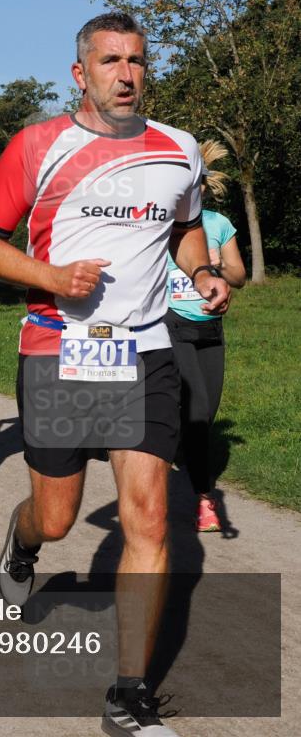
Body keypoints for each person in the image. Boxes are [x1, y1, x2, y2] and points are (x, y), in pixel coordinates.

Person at [0, 12, 231, 737]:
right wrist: (52, 275)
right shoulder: (38, 146)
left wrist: (202, 271)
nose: (127, 73)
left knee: (149, 516)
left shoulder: (178, 150)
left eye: (137, 60)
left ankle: (128, 696)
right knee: (55, 517)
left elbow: (183, 226)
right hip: (59, 348)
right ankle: (22, 544)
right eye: (111, 61)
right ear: (80, 73)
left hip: (144, 350)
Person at [166, 139, 246, 532]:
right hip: (170, 323)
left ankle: (172, 444)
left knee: (205, 414)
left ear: (202, 187)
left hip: (211, 327)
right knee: (196, 410)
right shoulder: (161, 223)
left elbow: (240, 277)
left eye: (196, 183)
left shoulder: (218, 224)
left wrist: (217, 267)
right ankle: (204, 498)